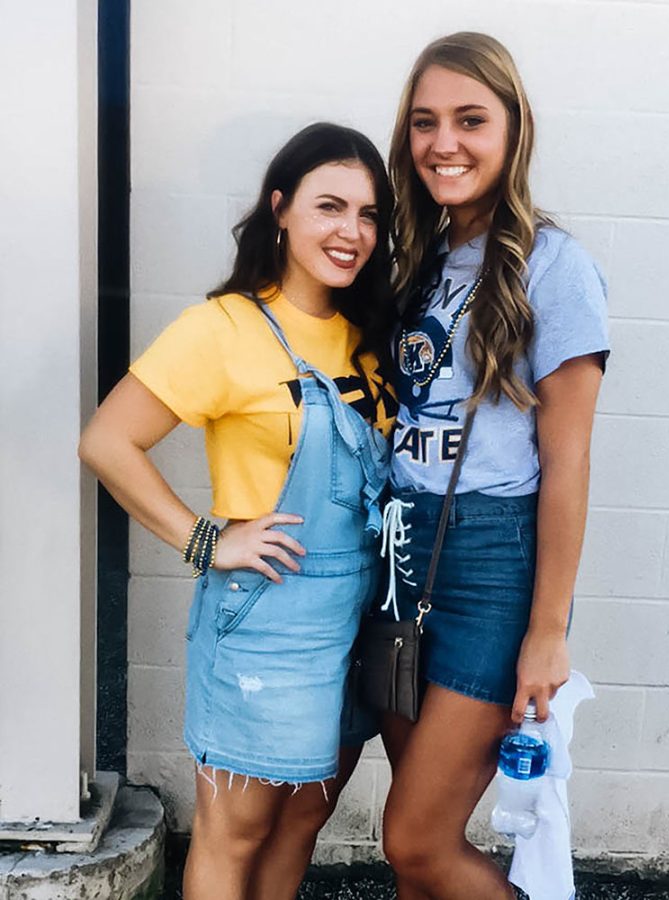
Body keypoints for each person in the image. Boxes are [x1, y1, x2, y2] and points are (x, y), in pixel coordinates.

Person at [79, 122, 398, 900]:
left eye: (367, 214)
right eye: (330, 206)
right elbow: (108, 441)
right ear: (279, 209)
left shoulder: (369, 337)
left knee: (300, 824)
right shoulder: (221, 329)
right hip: (267, 623)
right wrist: (203, 540)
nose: (350, 231)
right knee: (238, 831)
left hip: (356, 615)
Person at [376, 33, 610, 899]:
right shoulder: (414, 258)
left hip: (490, 565)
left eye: (470, 120)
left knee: (415, 842)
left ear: (513, 130)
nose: (445, 143)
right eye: (425, 122)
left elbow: (568, 460)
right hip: (399, 553)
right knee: (411, 842)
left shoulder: (554, 266)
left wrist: (546, 632)